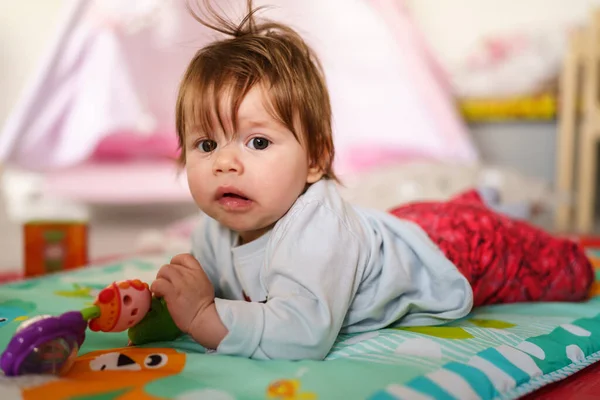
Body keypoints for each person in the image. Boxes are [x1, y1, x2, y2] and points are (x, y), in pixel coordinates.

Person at [150, 0, 594, 360]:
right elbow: (208, 293)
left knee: (560, 269)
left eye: (258, 143)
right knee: (430, 217)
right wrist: (161, 306)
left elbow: (303, 334)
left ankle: (486, 211)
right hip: (395, 228)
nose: (225, 163)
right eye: (206, 145)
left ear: (315, 159)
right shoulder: (212, 230)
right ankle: (474, 202)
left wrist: (205, 315)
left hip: (454, 253)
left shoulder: (317, 232)